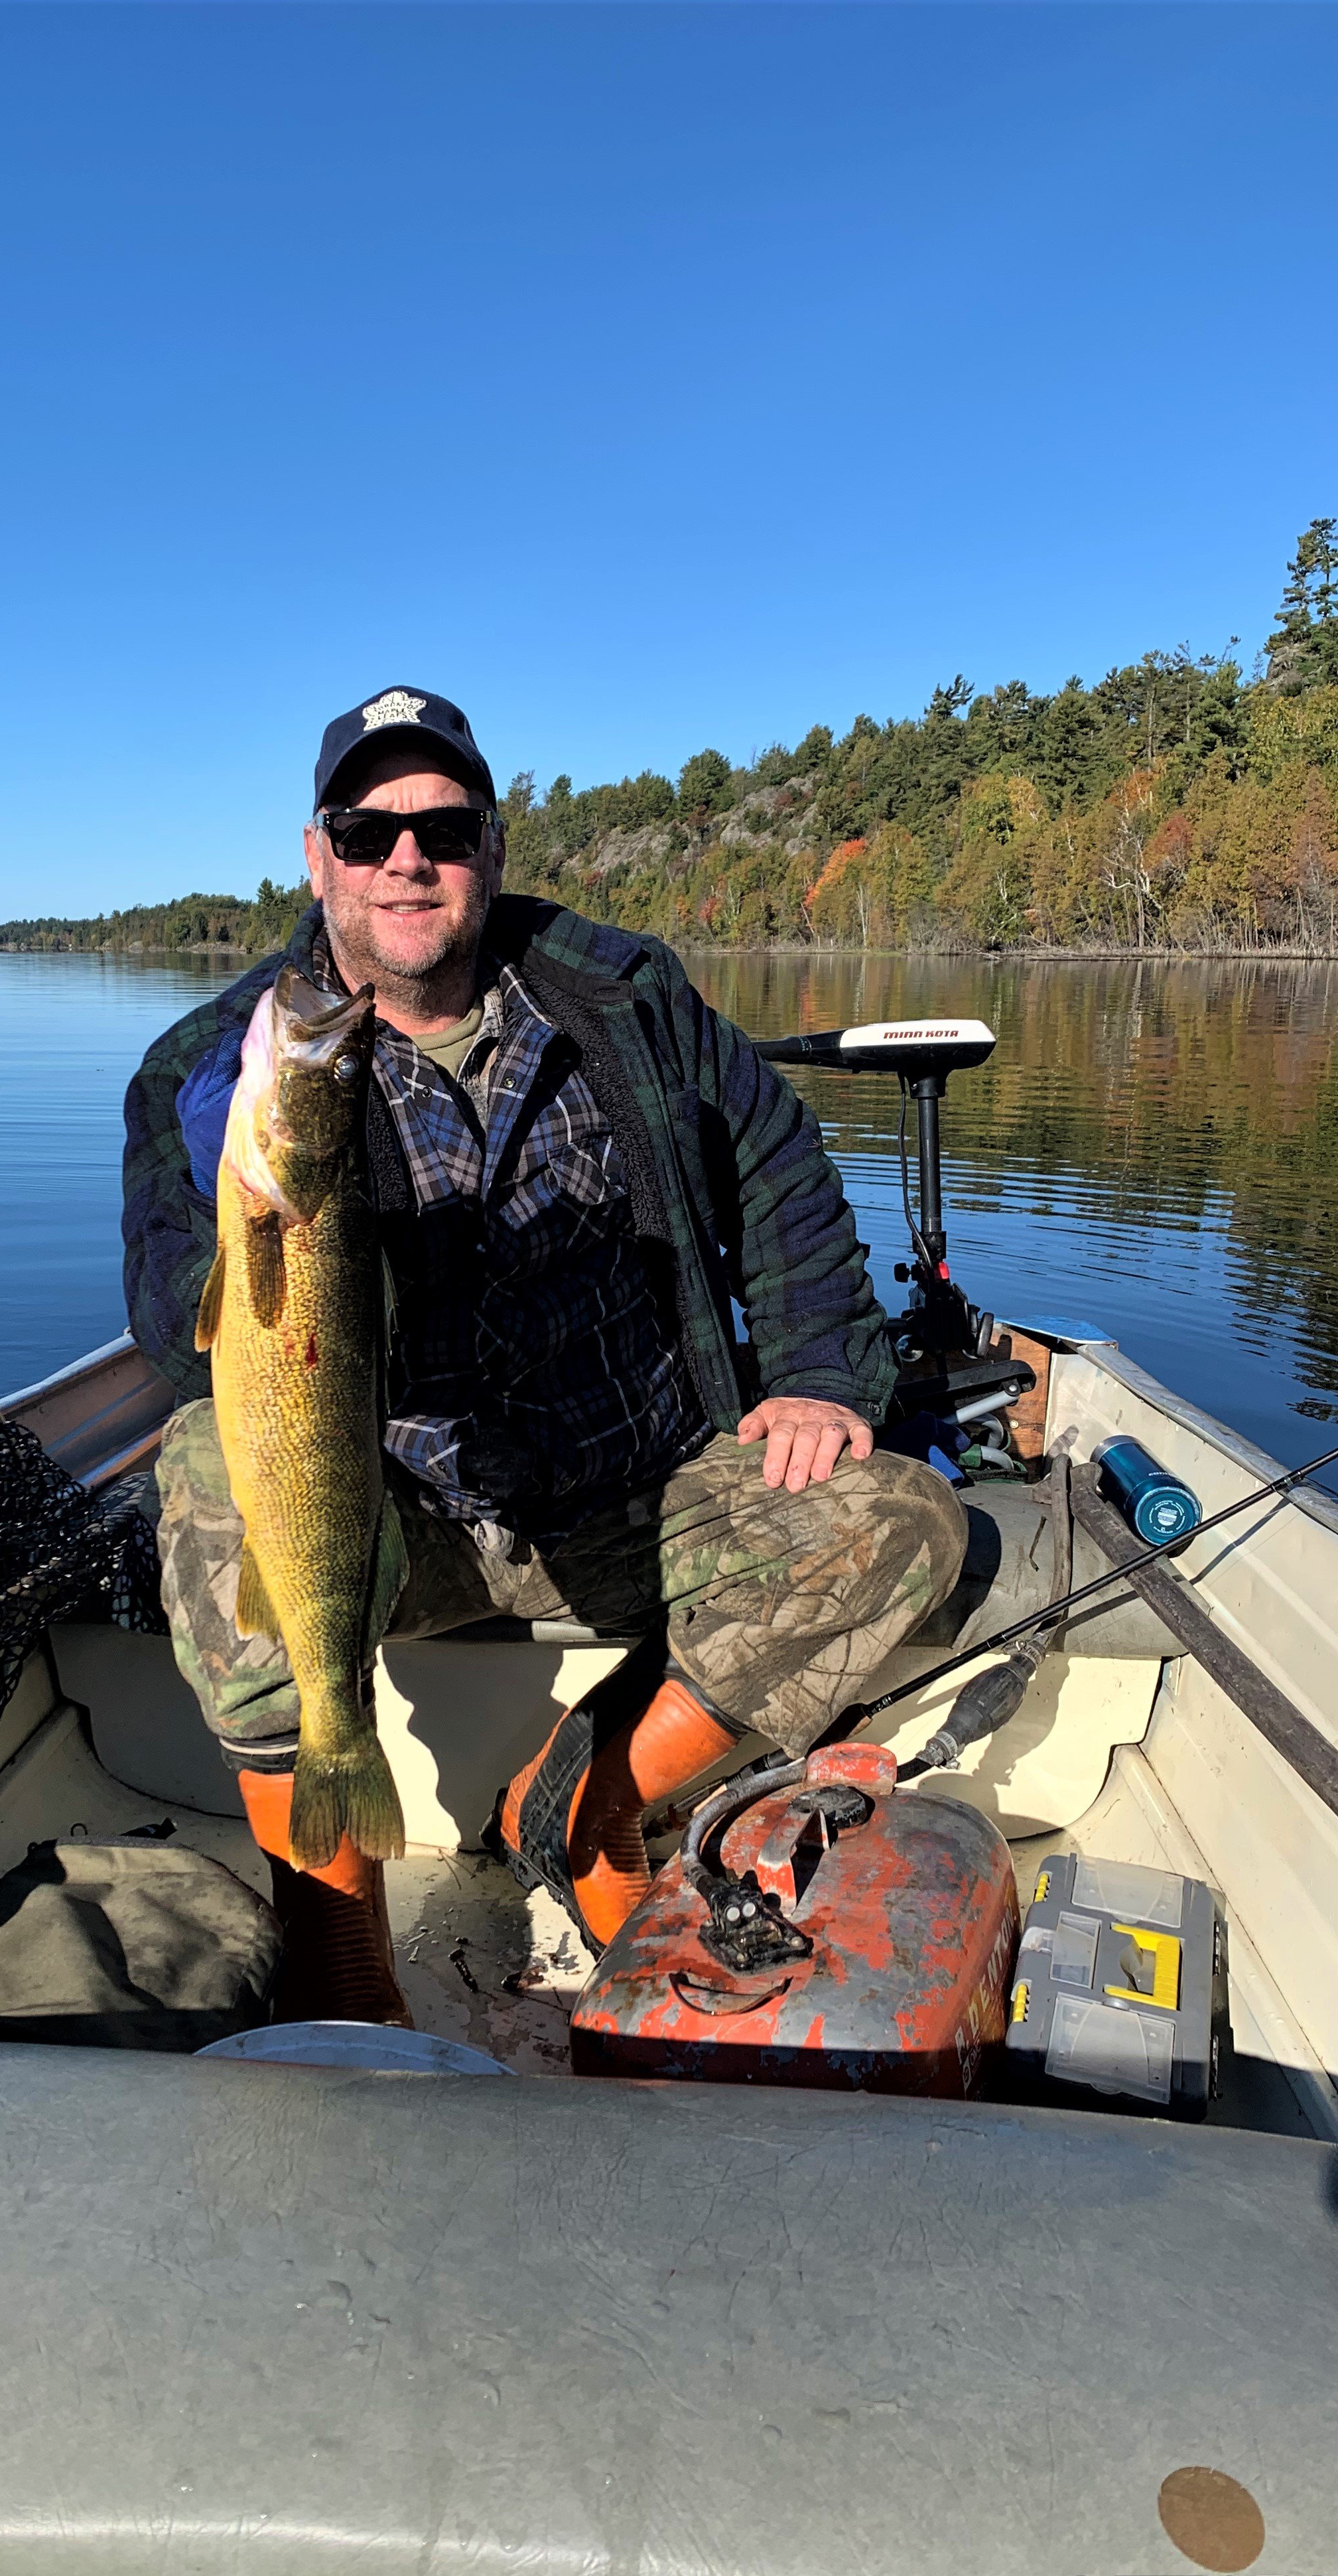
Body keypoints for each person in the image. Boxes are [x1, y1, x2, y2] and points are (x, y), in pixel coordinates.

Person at [123, 686, 965, 2025]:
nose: (410, 859)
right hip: (390, 1522)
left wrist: (814, 1368)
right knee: (209, 1477)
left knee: (907, 1525)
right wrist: (243, 1217)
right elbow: (176, 1341)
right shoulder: (216, 1066)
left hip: (632, 1493)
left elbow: (779, 1164)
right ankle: (343, 1954)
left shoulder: (623, 998)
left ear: (493, 846)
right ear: (317, 855)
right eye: (368, 830)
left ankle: (583, 1795)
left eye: (445, 828)